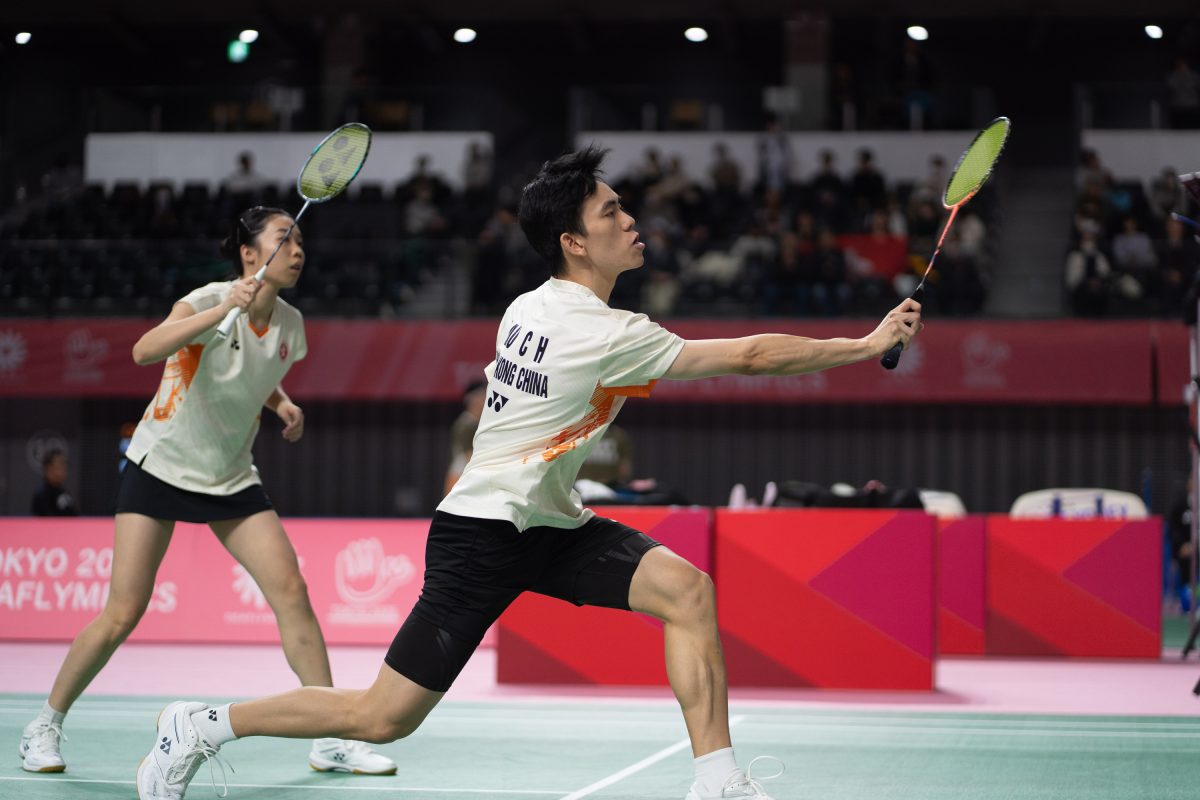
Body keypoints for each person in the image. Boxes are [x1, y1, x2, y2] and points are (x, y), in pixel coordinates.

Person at [134, 147, 922, 800]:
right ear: (574, 241)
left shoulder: (526, 305)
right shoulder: (605, 333)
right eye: (611, 212)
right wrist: (865, 343)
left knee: (686, 590)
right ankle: (202, 725)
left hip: (547, 521)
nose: (631, 221)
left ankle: (716, 781)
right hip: (481, 536)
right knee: (381, 718)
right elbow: (749, 356)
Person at [19, 206, 394, 778]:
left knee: (292, 591)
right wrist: (223, 309)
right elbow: (144, 350)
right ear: (249, 254)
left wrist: (282, 404)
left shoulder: (291, 325)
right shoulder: (206, 301)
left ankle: (330, 736)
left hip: (230, 475)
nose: (298, 250)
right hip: (161, 464)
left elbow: (254, 375)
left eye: (300, 241)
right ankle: (44, 725)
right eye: (284, 239)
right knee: (123, 610)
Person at [443, 378, 488, 495]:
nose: (486, 400)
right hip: (461, 476)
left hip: (468, 476)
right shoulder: (465, 425)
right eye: (483, 396)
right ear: (472, 400)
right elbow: (468, 455)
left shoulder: (477, 424)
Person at [30, 449, 79, 516]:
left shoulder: (64, 492)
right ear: (48, 469)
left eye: (64, 465)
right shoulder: (42, 495)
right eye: (60, 465)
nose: (63, 469)